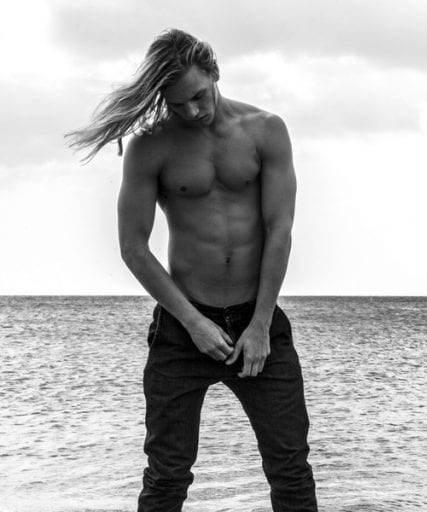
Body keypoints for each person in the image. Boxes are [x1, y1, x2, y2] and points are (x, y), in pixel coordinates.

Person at [66, 28, 317, 511]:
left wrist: (261, 324)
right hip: (182, 331)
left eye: (199, 96)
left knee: (290, 470)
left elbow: (279, 231)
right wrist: (193, 323)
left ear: (214, 72)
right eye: (177, 103)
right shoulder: (150, 147)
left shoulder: (266, 130)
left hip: (257, 323)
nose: (193, 111)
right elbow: (133, 247)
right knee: (166, 476)